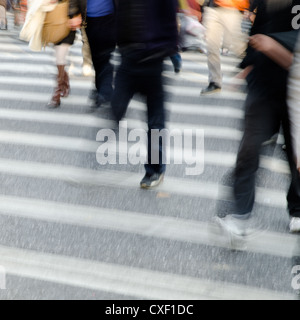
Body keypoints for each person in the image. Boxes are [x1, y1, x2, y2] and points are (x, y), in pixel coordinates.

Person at [215, 0, 300, 243]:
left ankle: (297, 208)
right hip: (263, 86)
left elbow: (272, 42)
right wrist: (247, 68)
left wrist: (273, 46)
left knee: (295, 153)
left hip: (295, 89)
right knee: (249, 150)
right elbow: (256, 35)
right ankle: (240, 215)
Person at [111, 0, 178, 189]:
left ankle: (155, 170)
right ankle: (92, 158)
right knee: (115, 108)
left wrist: (167, 49)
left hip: (153, 58)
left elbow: (170, 18)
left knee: (155, 121)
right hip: (128, 58)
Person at [20, 0, 76, 108]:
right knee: (57, 55)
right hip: (51, 19)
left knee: (60, 55)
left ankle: (57, 93)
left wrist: (76, 15)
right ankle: (65, 80)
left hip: (68, 17)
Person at [68, 0, 116, 109]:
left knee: (105, 55)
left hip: (110, 18)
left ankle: (104, 92)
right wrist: (73, 14)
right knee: (96, 56)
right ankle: (101, 89)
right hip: (89, 19)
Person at [201, 0, 249, 95]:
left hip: (232, 9)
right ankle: (215, 82)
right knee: (211, 47)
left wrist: (250, 8)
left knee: (240, 49)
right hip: (212, 9)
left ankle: (250, 78)